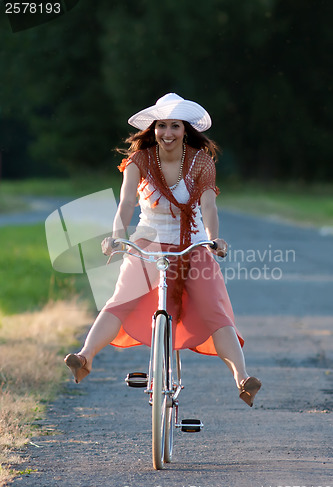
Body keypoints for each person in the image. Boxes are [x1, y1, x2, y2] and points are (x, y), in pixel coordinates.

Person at [64, 93, 261, 407]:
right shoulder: (139, 160)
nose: (167, 133)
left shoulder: (201, 162)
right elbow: (127, 202)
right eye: (161, 126)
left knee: (215, 310)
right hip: (147, 244)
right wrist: (117, 237)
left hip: (192, 244)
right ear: (153, 128)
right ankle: (84, 357)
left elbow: (209, 205)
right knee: (120, 301)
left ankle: (242, 378)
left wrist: (214, 238)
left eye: (175, 126)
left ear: (185, 129)